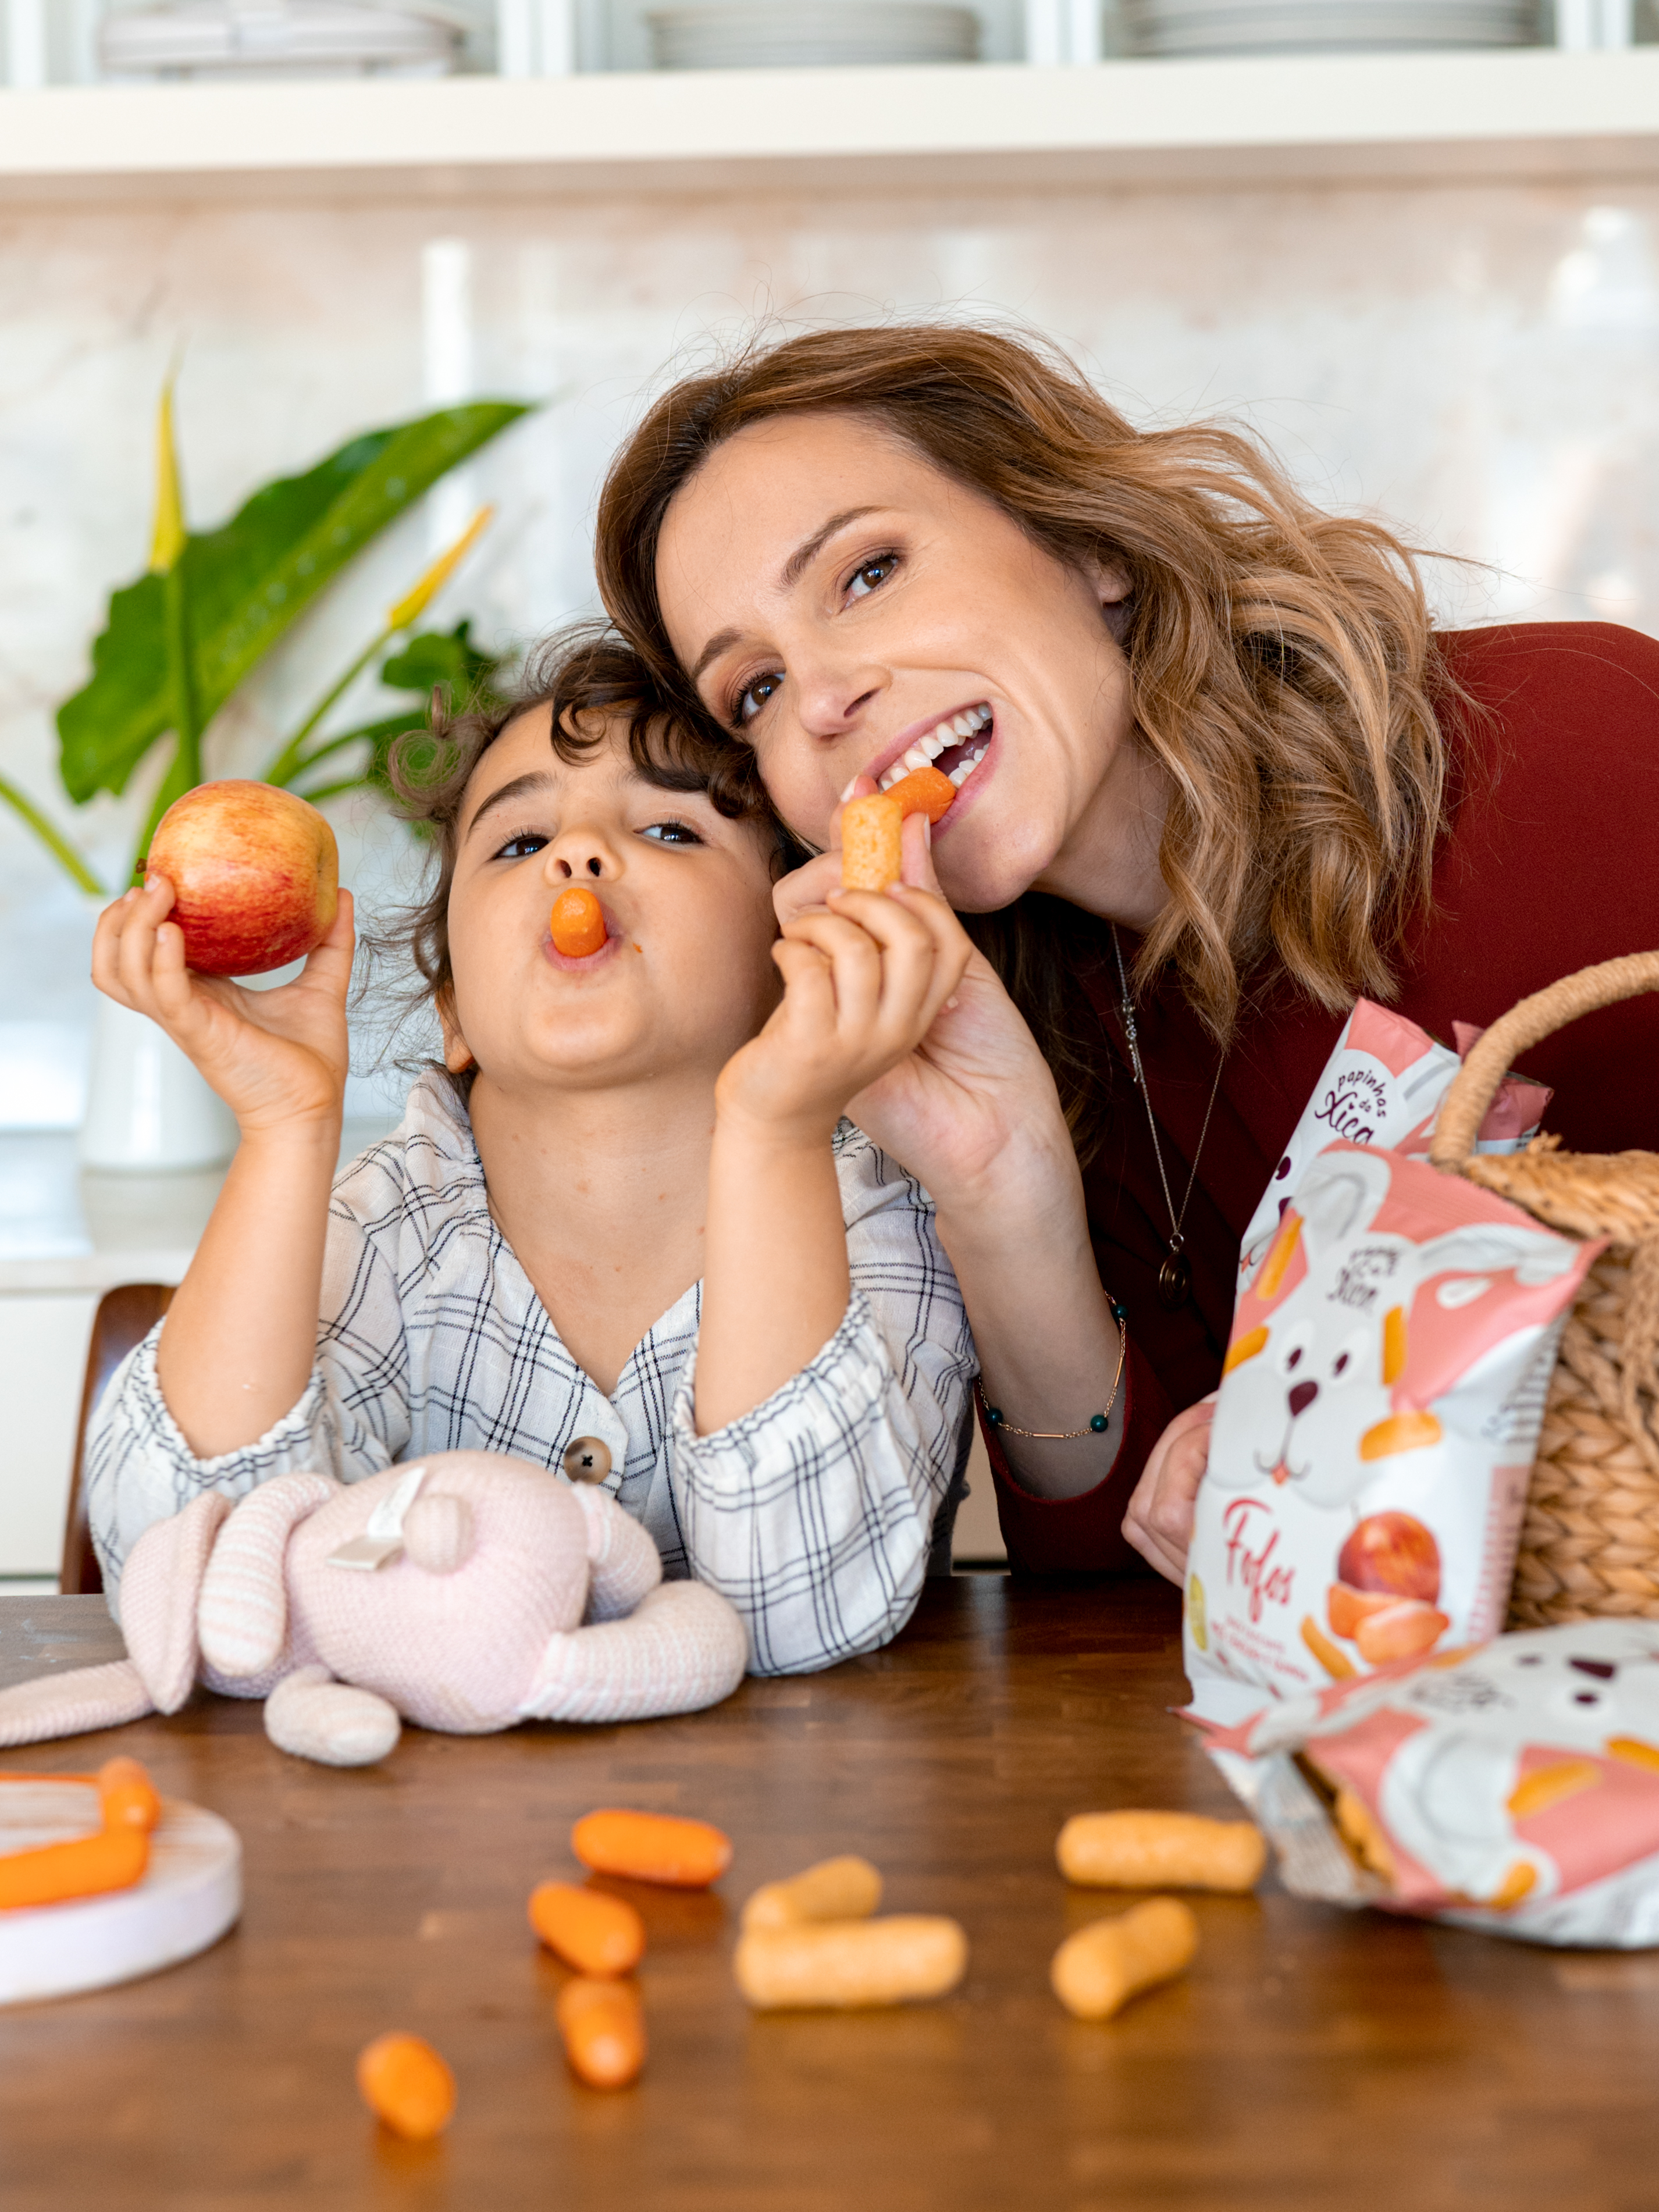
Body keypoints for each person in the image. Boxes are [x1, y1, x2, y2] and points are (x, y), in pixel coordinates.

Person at [590, 321, 1659, 1585]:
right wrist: (1000, 1179)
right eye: (754, 691)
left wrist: (1400, 1396)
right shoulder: (1010, 1025)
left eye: (868, 572)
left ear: (1086, 542)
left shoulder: (1576, 738)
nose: (821, 700)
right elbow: (1114, 1580)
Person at [84, 631, 978, 1677]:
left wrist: (775, 1125)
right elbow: (194, 1598)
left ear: (796, 959)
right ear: (451, 1007)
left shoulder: (885, 1219)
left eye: (667, 829)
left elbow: (804, 1619)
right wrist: (285, 1133)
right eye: (517, 844)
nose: (579, 855)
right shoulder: (389, 1224)